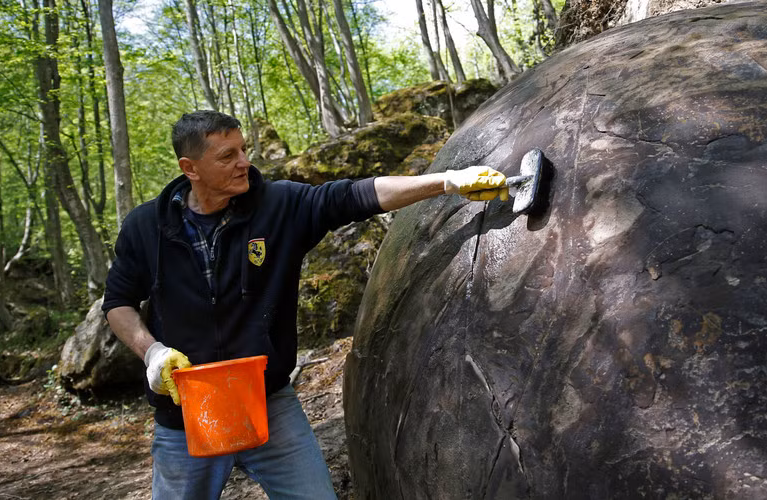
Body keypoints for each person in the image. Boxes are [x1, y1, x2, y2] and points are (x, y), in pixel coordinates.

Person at [102, 110, 508, 499]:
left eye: (244, 149)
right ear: (190, 168)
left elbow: (356, 194)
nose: (244, 162)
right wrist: (151, 351)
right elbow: (118, 302)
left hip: (269, 403)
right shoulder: (145, 227)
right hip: (185, 416)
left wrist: (448, 181)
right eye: (228, 156)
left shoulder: (278, 206)